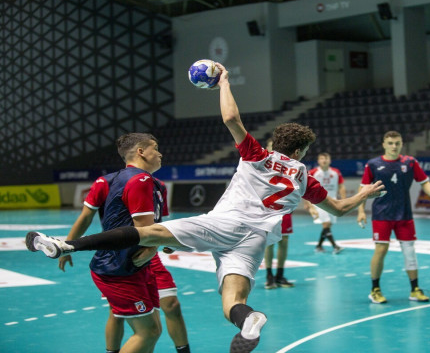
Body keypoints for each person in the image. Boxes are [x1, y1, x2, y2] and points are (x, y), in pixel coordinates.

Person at [26, 62, 385, 353]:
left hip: (226, 224)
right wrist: (363, 195)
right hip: (257, 238)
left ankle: (65, 244)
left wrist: (225, 80)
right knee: (234, 298)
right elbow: (338, 208)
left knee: (149, 233)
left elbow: (231, 120)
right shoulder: (306, 176)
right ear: (301, 152)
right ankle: (248, 319)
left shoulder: (259, 155)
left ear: (278, 143)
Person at [58, 133, 190, 353]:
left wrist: (157, 246)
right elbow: (87, 217)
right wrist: (68, 246)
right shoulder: (112, 181)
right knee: (137, 324)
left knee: (156, 322)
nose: (160, 153)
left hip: (142, 257)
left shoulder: (158, 185)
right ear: (140, 151)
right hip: (121, 261)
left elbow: (154, 226)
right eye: (155, 148)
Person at [357, 130, 430, 304]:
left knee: (410, 252)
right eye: (390, 143)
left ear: (401, 144)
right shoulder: (373, 164)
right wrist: (360, 210)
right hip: (381, 214)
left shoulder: (410, 162)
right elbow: (364, 188)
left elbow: (424, 182)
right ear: (384, 144)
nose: (394, 146)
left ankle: (415, 290)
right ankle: (375, 289)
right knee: (381, 250)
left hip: (404, 214)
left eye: (397, 143)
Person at [263, 138, 295, 289]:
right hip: (267, 209)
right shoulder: (261, 165)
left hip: (284, 208)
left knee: (284, 241)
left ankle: (280, 275)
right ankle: (269, 276)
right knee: (269, 243)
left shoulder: (288, 165)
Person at [305, 152, 347, 254]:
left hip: (333, 201)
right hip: (319, 202)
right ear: (318, 161)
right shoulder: (313, 172)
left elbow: (341, 187)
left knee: (328, 226)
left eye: (326, 158)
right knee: (326, 223)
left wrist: (344, 200)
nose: (324, 160)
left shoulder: (336, 172)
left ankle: (319, 246)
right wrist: (309, 205)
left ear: (330, 160)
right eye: (322, 159)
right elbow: (305, 189)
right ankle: (335, 246)